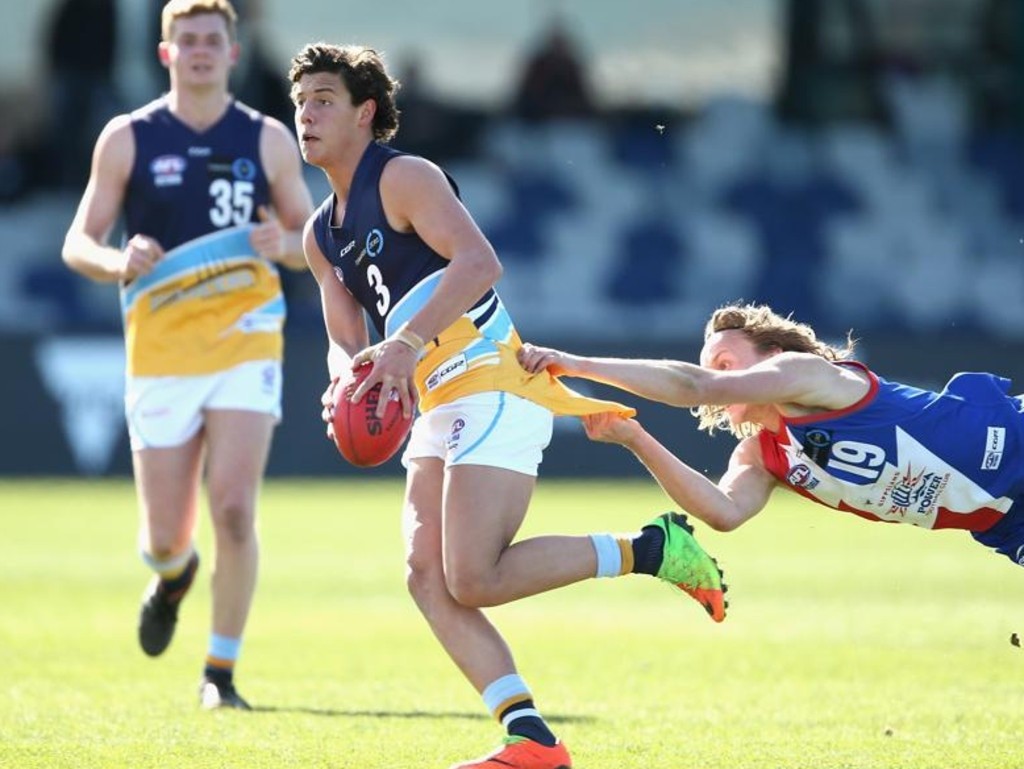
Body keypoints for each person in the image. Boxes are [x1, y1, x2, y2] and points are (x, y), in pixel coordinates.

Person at [288, 42, 726, 769]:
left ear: (365, 113)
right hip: (433, 396)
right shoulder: (318, 234)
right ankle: (530, 738)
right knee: (425, 576)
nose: (307, 114)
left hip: (492, 374)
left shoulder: (404, 177)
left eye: (324, 99)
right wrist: (343, 378)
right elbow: (343, 334)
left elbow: (480, 261)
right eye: (300, 102)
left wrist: (403, 341)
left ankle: (651, 548)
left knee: (472, 576)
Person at [61, 0, 313, 710]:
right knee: (164, 538)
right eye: (187, 41)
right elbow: (78, 241)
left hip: (246, 340)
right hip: (161, 353)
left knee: (234, 509)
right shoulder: (127, 137)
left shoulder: (267, 139)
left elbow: (314, 242)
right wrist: (118, 260)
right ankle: (173, 577)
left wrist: (284, 247)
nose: (201, 50)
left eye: (213, 40)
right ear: (166, 52)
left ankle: (220, 673)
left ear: (233, 54)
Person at [518, 302, 1024, 571]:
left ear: (771, 354)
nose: (714, 377)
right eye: (709, 367)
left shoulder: (806, 375)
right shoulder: (763, 454)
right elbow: (723, 512)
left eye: (725, 362)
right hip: (1009, 520)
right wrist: (635, 438)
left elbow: (695, 386)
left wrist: (577, 363)